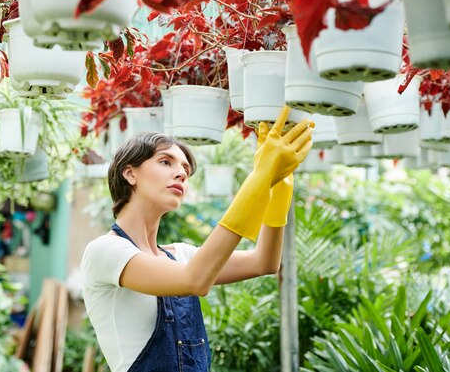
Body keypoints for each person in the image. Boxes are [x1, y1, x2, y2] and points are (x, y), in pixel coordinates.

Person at [81, 106, 314, 372]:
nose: (181, 173)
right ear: (130, 173)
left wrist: (277, 184)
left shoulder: (180, 256)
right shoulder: (105, 251)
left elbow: (264, 262)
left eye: (186, 169)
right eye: (165, 162)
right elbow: (195, 280)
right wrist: (258, 178)